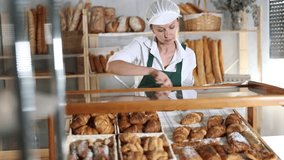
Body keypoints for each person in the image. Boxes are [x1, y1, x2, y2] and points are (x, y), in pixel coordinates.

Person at [106, 0, 196, 88]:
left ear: (178, 22)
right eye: (160, 30)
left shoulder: (188, 55)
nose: (167, 34)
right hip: (143, 103)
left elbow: (188, 92)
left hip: (174, 103)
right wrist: (151, 71)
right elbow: (112, 66)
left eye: (172, 27)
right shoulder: (141, 45)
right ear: (152, 29)